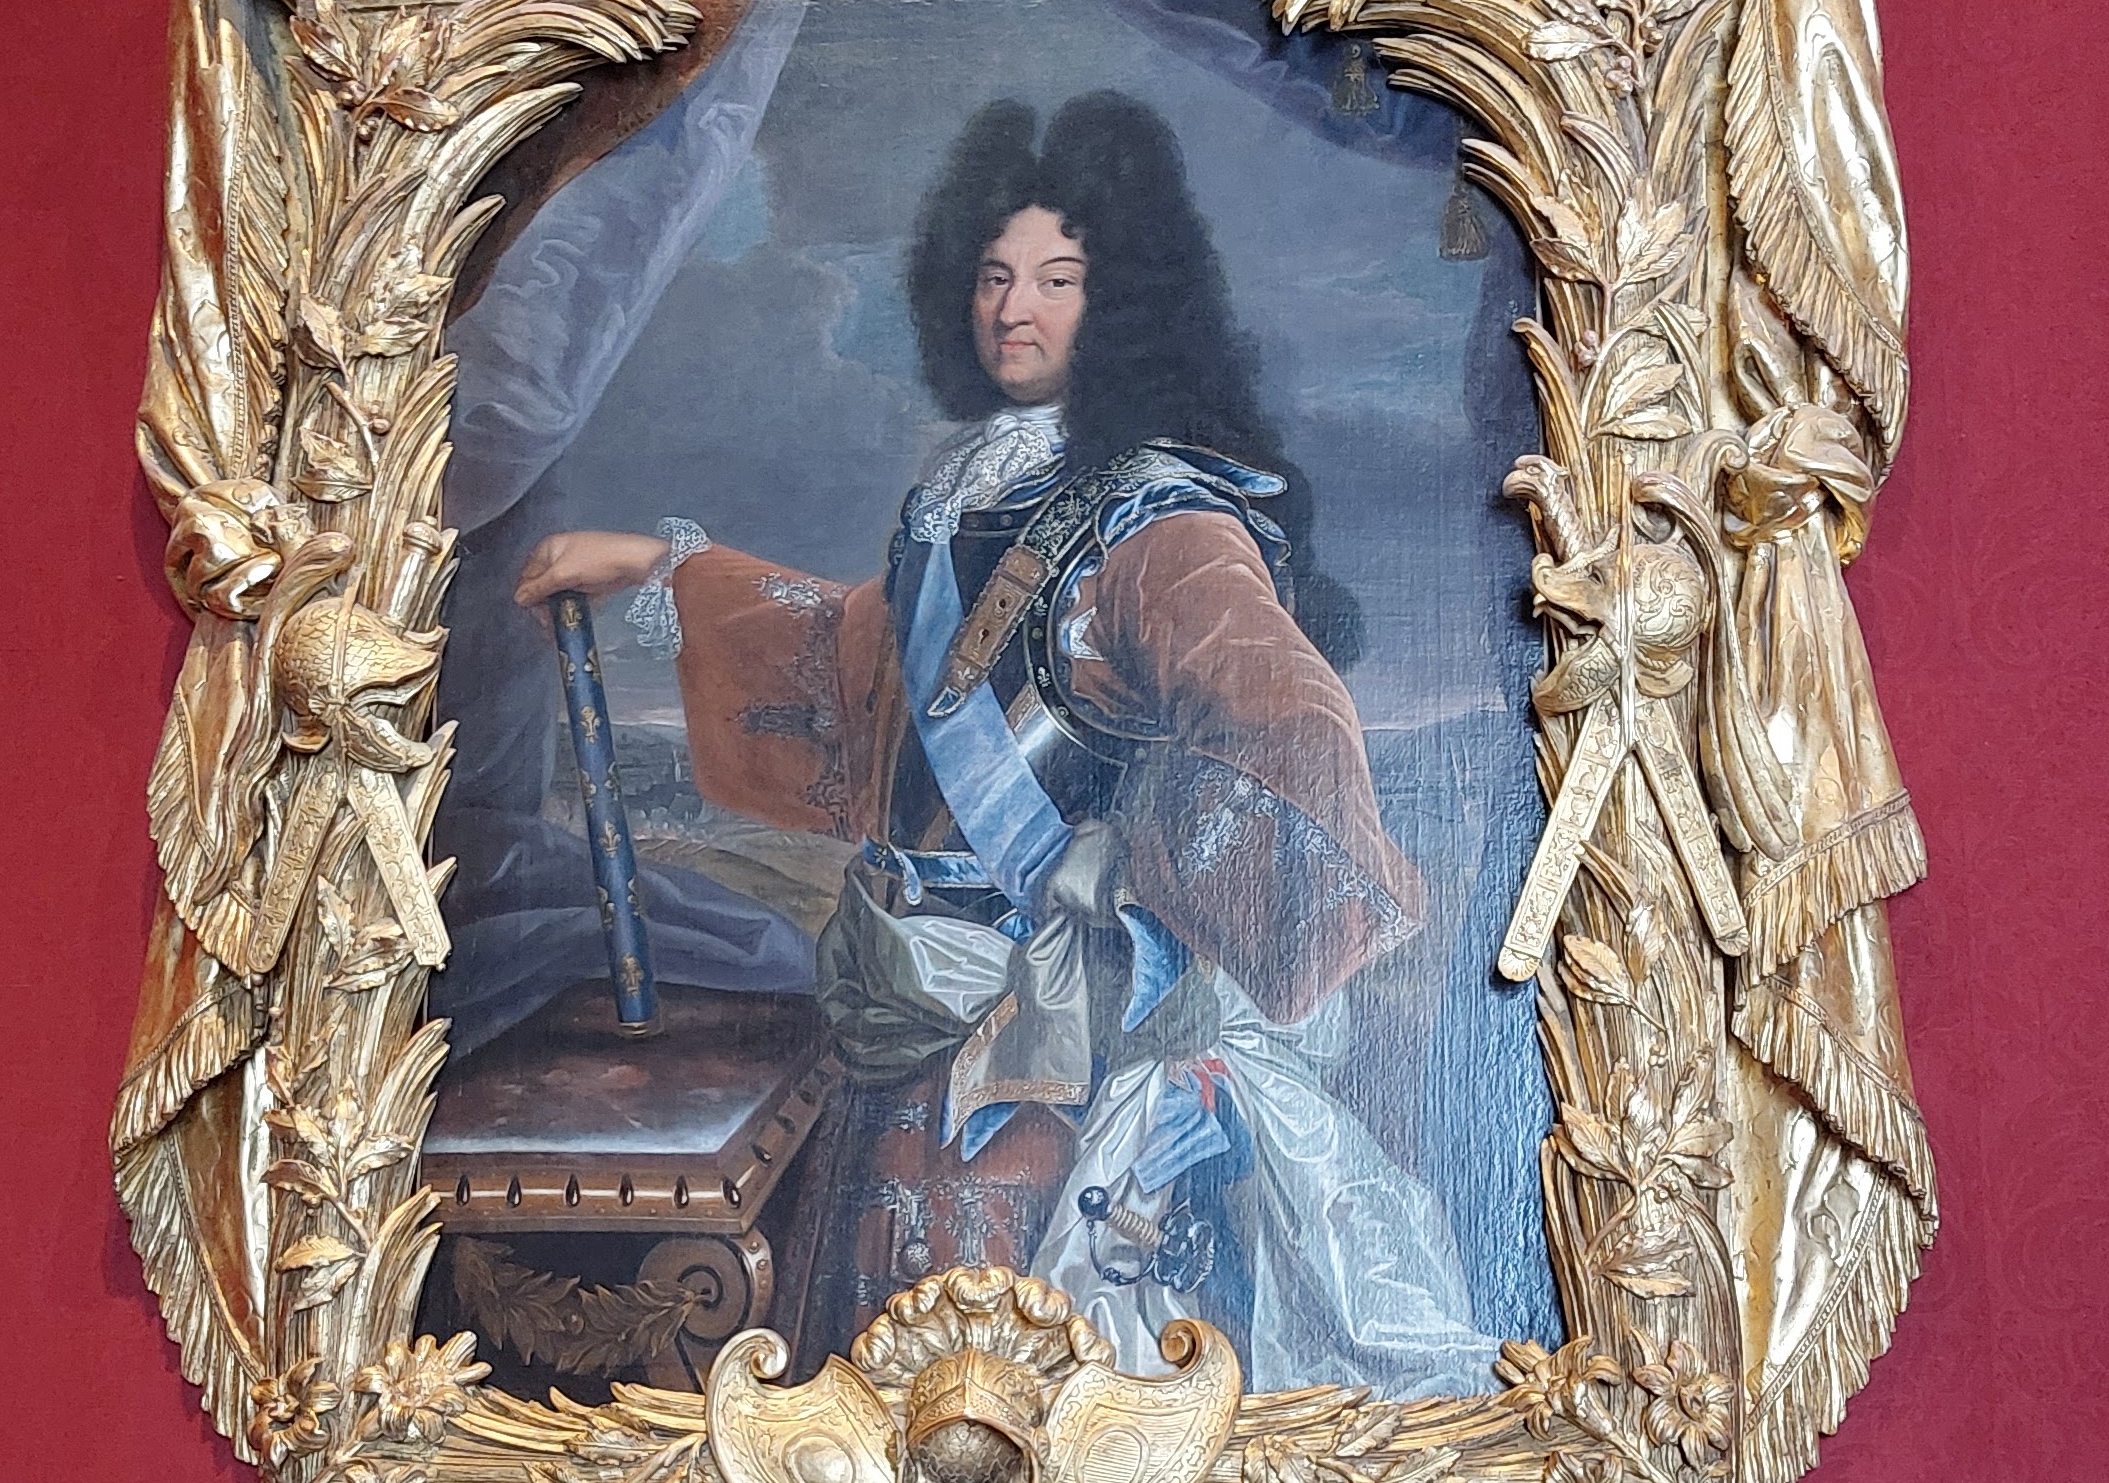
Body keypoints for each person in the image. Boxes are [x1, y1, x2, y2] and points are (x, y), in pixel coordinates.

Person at [515, 91, 1493, 1395]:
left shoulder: (1160, 521)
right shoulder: (968, 493)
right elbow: (862, 665)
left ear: (1121, 298)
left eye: (1056, 279)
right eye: (992, 275)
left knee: (1033, 1391)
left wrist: (1135, 863)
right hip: (904, 1008)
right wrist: (660, 568)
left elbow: (1291, 724)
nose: (1011, 309)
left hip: (1057, 1047)